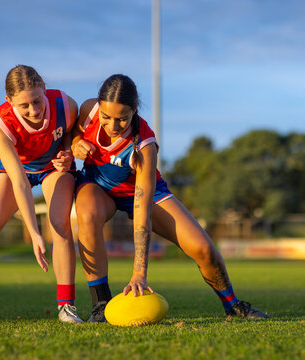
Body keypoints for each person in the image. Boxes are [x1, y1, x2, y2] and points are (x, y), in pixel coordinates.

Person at [71, 74, 269, 322]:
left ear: (134, 111)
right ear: (98, 106)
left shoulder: (144, 144)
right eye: (106, 117)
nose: (113, 126)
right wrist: (76, 142)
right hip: (97, 186)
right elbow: (72, 134)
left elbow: (142, 209)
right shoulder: (89, 109)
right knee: (87, 215)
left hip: (143, 195)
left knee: (204, 248)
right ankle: (101, 305)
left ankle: (233, 305)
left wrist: (139, 273)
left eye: (122, 119)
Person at [0, 65, 83, 323]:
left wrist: (68, 151)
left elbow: (73, 130)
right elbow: (19, 181)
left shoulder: (65, 103)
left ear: (44, 88)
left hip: (53, 166)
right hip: (18, 169)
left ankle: (66, 306)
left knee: (60, 224)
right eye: (24, 105)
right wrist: (33, 234)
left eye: (37, 100)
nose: (33, 110)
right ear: (9, 101)